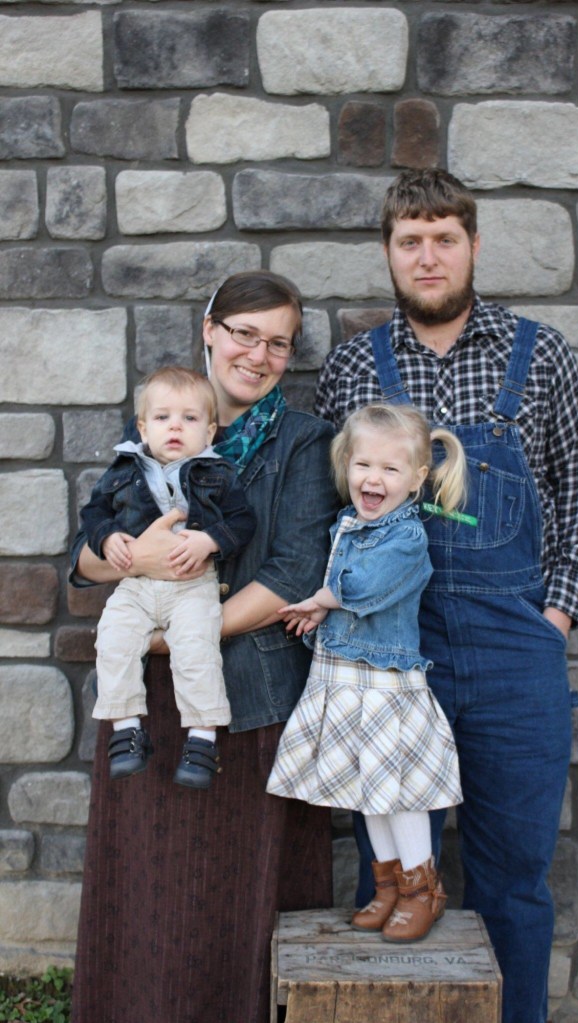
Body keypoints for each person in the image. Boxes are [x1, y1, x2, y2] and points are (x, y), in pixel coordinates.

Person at [314, 170, 578, 1023]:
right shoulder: (353, 367)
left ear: (473, 245)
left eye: (445, 238)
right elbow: (331, 510)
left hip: (515, 659)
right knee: (394, 874)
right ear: (388, 253)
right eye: (410, 240)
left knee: (512, 881)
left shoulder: (539, 353)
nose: (428, 256)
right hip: (390, 657)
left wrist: (552, 620)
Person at [69, 270, 338, 1023]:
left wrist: (175, 636)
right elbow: (84, 558)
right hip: (143, 706)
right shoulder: (154, 432)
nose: (259, 354)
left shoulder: (305, 442)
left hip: (248, 700)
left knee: (234, 905)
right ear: (210, 331)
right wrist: (135, 557)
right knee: (144, 897)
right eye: (245, 334)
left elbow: (293, 573)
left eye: (279, 343)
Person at [267, 403, 466, 943]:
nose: (373, 479)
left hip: (384, 688)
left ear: (417, 479)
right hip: (343, 681)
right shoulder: (347, 525)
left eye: (390, 469)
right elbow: (344, 591)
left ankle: (422, 889)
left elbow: (365, 587)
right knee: (367, 792)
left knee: (399, 795)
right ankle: (388, 886)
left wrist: (320, 601)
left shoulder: (406, 538)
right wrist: (321, 615)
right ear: (346, 466)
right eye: (363, 465)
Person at [79, 365, 256, 788]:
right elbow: (94, 512)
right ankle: (126, 730)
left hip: (193, 586)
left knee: (197, 649)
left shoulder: (218, 473)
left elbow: (242, 521)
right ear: (143, 428)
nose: (175, 426)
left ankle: (202, 739)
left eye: (189, 418)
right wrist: (107, 538)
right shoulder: (124, 469)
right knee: (114, 638)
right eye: (162, 417)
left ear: (208, 432)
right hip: (137, 585)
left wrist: (210, 540)